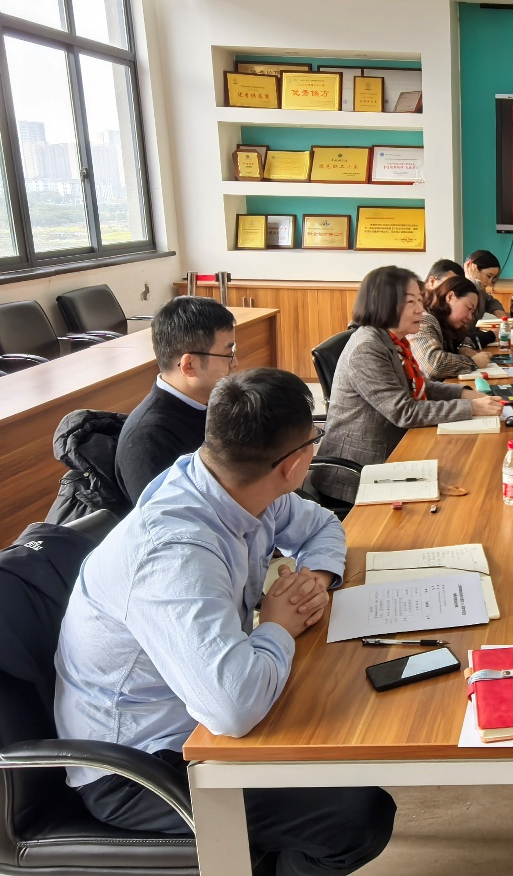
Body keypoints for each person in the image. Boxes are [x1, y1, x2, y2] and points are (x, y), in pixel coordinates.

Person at [55, 368, 396, 874]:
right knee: (356, 815)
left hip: (199, 701)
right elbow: (232, 709)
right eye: (314, 441)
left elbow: (322, 524)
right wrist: (277, 625)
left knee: (337, 711)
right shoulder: (174, 553)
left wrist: (315, 579)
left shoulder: (234, 484)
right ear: (294, 465)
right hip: (136, 765)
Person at [314, 266, 504, 505]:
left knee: (470, 469)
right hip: (356, 474)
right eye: (411, 302)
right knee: (468, 492)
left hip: (392, 454)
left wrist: (465, 394)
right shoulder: (367, 347)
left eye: (419, 301)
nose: (420, 309)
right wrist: (472, 408)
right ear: (385, 304)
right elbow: (405, 411)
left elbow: (419, 386)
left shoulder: (391, 340)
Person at [115, 295, 237, 503]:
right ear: (189, 365)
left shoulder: (211, 404)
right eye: (228, 354)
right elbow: (164, 518)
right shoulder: (147, 439)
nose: (235, 364)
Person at [410, 275, 491, 379]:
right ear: (450, 297)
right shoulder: (424, 320)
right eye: (468, 308)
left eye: (472, 312)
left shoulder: (447, 322)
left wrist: (464, 347)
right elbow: (434, 365)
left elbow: (464, 338)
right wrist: (473, 362)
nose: (470, 317)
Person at [464, 249, 506, 318]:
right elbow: (474, 316)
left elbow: (490, 301)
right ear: (473, 268)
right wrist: (474, 282)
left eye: (493, 278)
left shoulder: (480, 290)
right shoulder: (458, 288)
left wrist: (496, 309)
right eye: (488, 276)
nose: (489, 282)